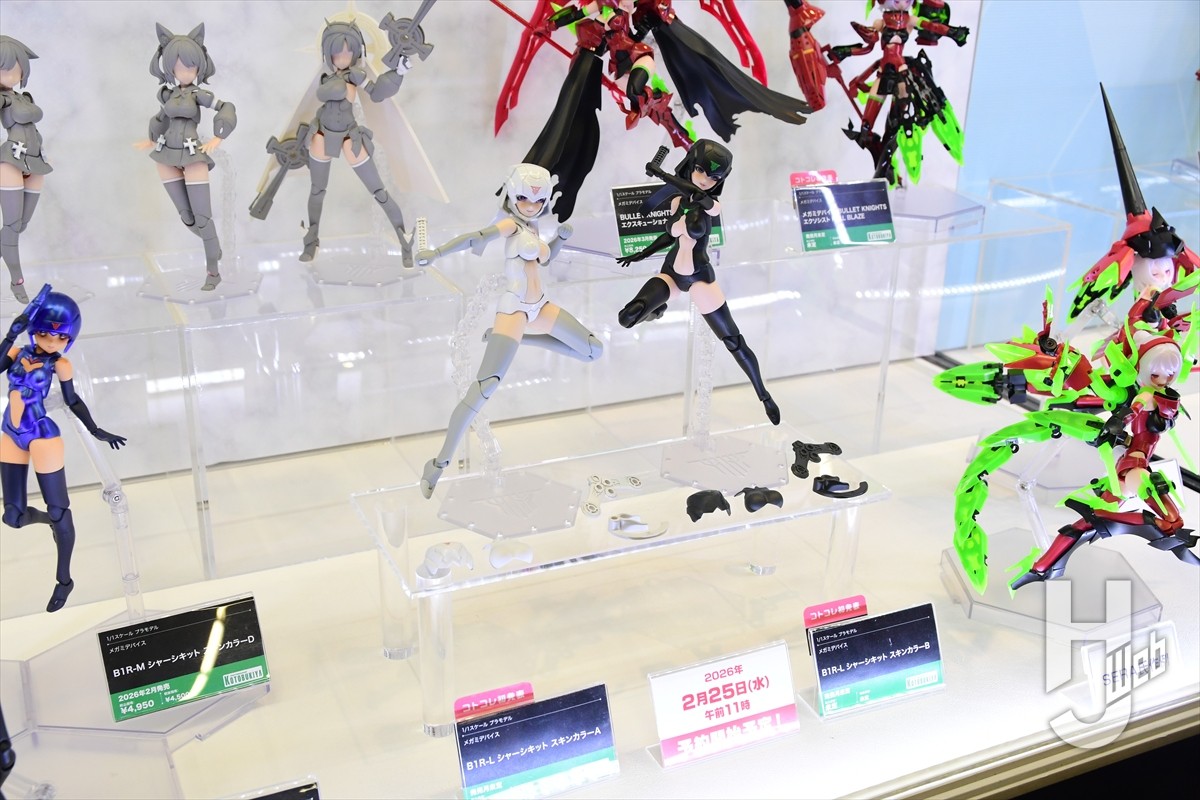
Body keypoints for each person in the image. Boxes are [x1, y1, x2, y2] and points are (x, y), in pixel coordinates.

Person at [415, 164, 602, 497]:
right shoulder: (510, 225)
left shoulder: (533, 227)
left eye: (538, 201)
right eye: (523, 199)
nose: (531, 206)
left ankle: (524, 340)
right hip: (514, 309)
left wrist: (558, 240)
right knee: (484, 388)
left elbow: (545, 259)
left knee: (592, 350)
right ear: (511, 196)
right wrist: (438, 252)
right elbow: (476, 237)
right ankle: (438, 463)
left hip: (539, 308)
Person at [617, 139, 780, 425]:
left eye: (714, 177)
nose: (705, 180)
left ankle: (764, 396)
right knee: (627, 317)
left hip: (699, 280)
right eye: (701, 171)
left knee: (733, 341)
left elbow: (698, 196)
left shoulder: (712, 206)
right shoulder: (677, 202)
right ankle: (657, 310)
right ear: (691, 165)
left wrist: (662, 174)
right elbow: (669, 236)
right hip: (671, 273)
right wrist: (641, 254)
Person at [1, 286, 126, 612]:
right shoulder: (17, 353)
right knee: (13, 517)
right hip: (11, 433)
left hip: (41, 434)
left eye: (60, 337)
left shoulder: (61, 364)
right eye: (44, 333)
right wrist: (11, 334)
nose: (51, 341)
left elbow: (72, 400)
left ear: (69, 339)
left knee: (59, 508)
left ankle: (64, 580)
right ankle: (52, 522)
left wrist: (96, 430)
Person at [135, 23, 236, 291]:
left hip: (193, 155)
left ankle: (213, 271)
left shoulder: (199, 95)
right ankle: (212, 245)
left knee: (202, 217)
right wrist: (151, 138)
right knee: (187, 217)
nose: (185, 72)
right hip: (167, 153)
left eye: (191, 67)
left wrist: (218, 136)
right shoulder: (167, 95)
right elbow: (160, 118)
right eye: (179, 67)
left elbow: (225, 107)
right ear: (169, 68)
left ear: (199, 67)